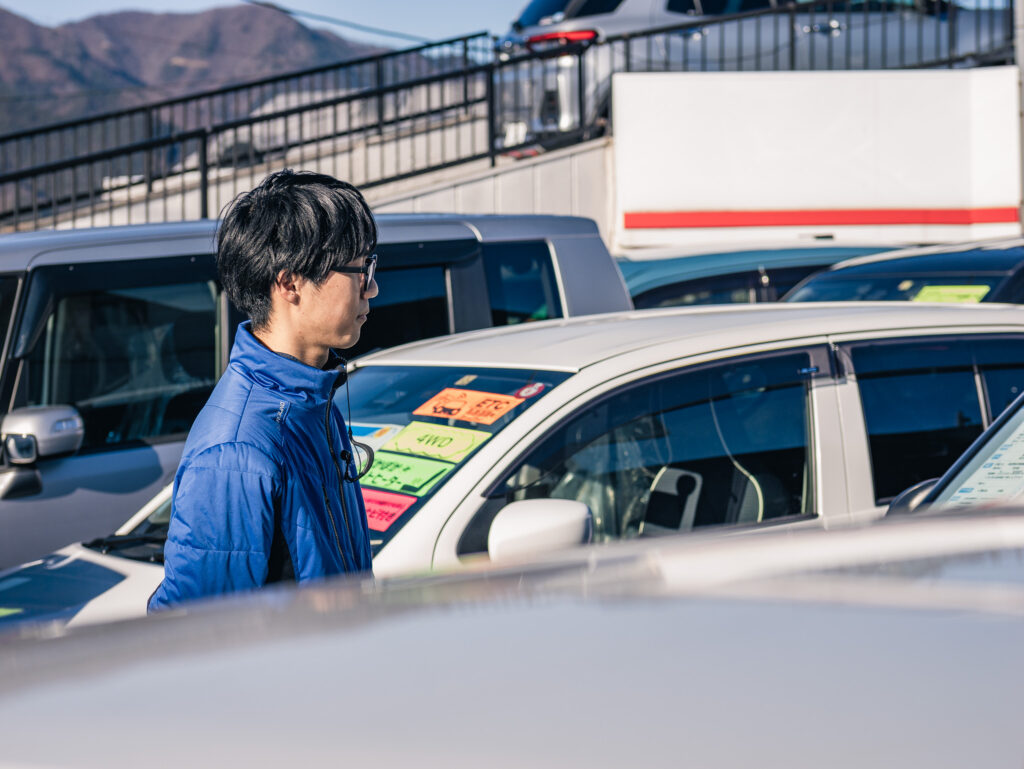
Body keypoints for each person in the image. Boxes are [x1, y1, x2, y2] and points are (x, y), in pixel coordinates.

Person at [149, 169, 379, 611]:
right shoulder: (237, 449)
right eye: (359, 269)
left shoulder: (311, 400)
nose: (372, 287)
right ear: (290, 283)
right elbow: (199, 631)